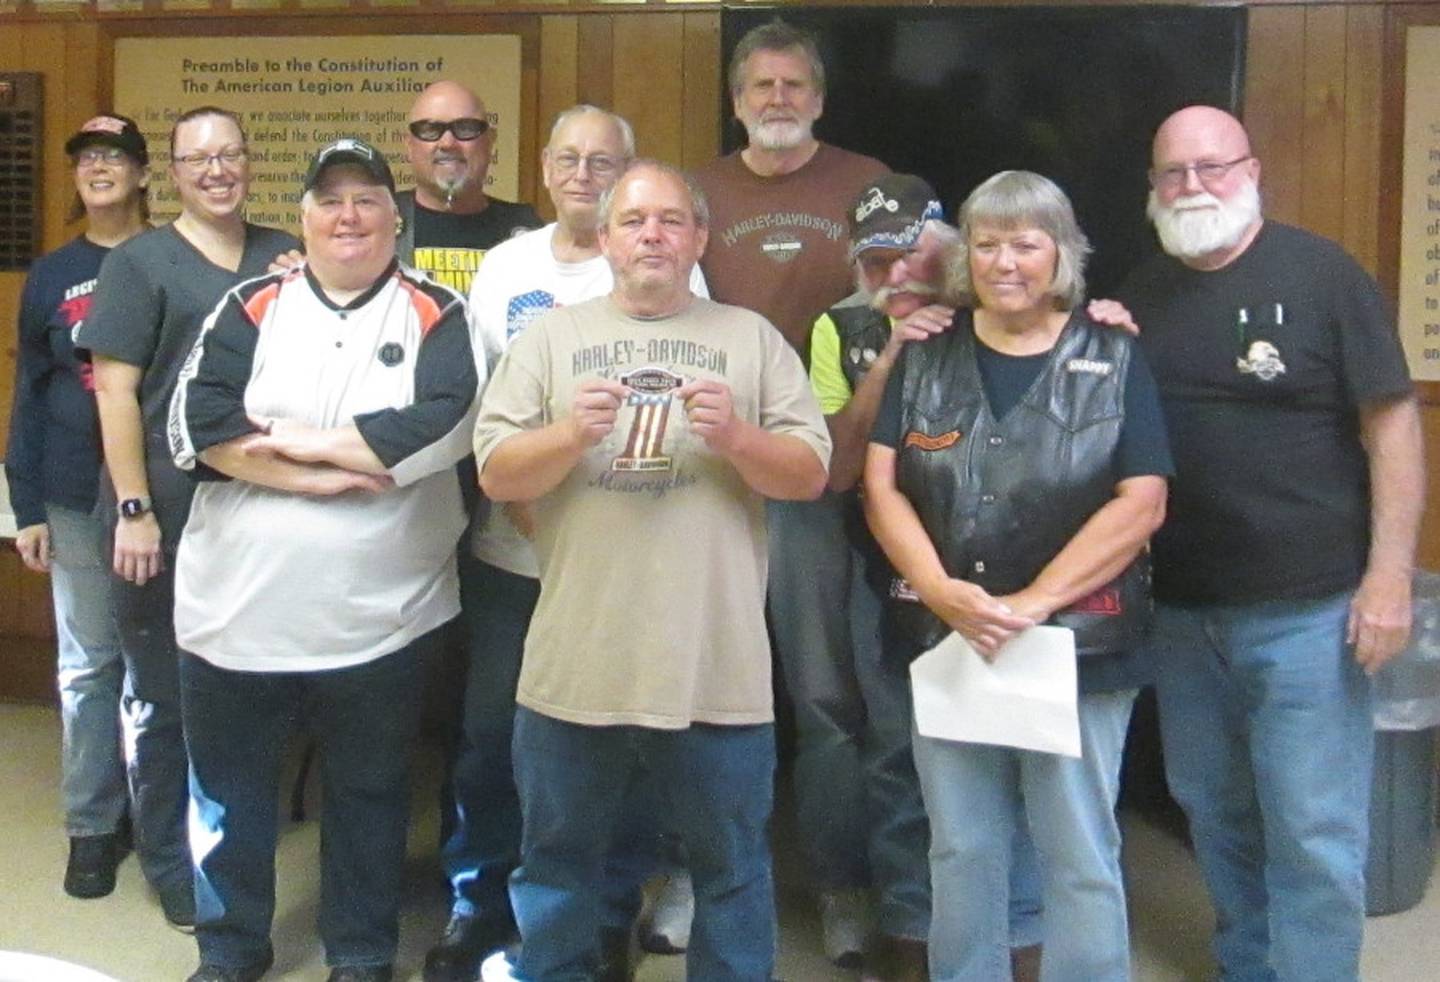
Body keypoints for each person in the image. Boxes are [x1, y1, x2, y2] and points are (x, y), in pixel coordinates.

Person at [473, 160, 830, 982]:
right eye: (634, 221)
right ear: (604, 239)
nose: (653, 236)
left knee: (732, 873)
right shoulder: (549, 340)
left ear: (700, 238)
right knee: (557, 870)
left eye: (673, 220)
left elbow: (807, 475)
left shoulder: (750, 339)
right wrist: (567, 436)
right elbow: (497, 474)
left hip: (716, 666)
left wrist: (738, 437)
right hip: (576, 665)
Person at [1119, 105, 1425, 982]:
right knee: (1213, 812)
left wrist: (1388, 580)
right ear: (1153, 188)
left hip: (1312, 613)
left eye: (1213, 167)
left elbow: (1392, 425)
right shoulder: (1141, 296)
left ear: (1252, 171)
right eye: (1174, 173)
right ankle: (1250, 967)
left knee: (1315, 827)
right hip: (1180, 616)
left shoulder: (1323, 274)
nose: (1194, 186)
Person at [167, 138, 479, 982]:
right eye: (330, 201)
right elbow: (197, 426)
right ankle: (230, 949)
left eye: (367, 200)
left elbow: (445, 426)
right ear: (302, 220)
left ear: (395, 218)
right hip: (233, 613)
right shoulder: (249, 304)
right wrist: (321, 478)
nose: (349, 216)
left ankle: (360, 953)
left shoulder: (440, 313)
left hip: (383, 619)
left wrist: (287, 440)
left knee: (370, 797)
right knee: (231, 800)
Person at [864, 170, 1173, 982]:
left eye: (1027, 243)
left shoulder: (1114, 351)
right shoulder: (926, 355)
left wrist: (1033, 604)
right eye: (989, 243)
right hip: (949, 636)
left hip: (1082, 647)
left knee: (1077, 851)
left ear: (1060, 254)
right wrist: (937, 591)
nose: (1006, 262)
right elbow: (881, 487)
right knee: (961, 846)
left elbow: (1142, 502)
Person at [426, 105, 707, 982]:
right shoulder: (507, 266)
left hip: (622, 564)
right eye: (571, 159)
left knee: (613, 747)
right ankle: (480, 903)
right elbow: (478, 407)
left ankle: (607, 910)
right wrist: (516, 504)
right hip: (511, 556)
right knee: (490, 736)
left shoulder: (672, 276)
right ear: (543, 168)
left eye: (606, 163)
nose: (585, 175)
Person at [692, 18, 891, 964]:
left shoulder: (870, 187)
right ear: (737, 101)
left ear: (818, 98)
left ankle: (841, 885)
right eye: (760, 87)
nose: (777, 101)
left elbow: (953, 283)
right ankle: (693, 877)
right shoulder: (698, 192)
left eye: (794, 87)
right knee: (696, 692)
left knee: (823, 697)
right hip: (704, 477)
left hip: (818, 478)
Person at [75, 105, 299, 930]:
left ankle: (232, 847)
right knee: (164, 699)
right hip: (159, 518)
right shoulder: (140, 263)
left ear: (249, 162)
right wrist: (134, 508)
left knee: (243, 695)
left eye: (231, 155)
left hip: (255, 516)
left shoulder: (283, 253)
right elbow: (118, 390)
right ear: (172, 171)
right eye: (198, 158)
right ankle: (173, 862)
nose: (217, 171)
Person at [794, 173, 955, 979]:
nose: (899, 275)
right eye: (879, 258)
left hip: (992, 566)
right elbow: (835, 466)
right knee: (892, 741)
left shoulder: (993, 305)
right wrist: (892, 352)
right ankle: (910, 926)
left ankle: (998, 919)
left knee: (984, 747)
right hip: (876, 560)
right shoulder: (838, 327)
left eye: (912, 253)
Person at [4, 114, 149, 900]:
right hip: (69, 493)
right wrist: (24, 502)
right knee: (89, 665)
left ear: (141, 174)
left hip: (160, 499)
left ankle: (161, 819)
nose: (98, 168)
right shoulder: (54, 273)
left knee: (161, 666)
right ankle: (93, 824)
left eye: (114, 157)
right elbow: (29, 389)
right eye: (86, 157)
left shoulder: (171, 256)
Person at [401, 80, 542, 293]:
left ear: (490, 141)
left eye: (465, 128)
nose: (448, 143)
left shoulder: (528, 234)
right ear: (409, 145)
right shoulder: (377, 224)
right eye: (430, 129)